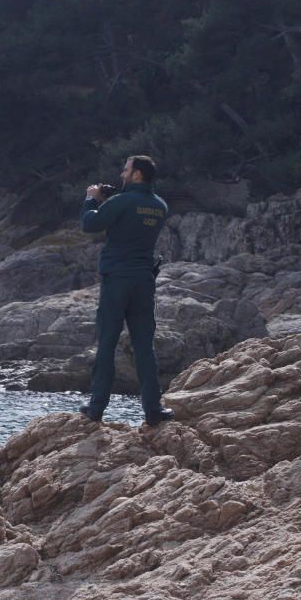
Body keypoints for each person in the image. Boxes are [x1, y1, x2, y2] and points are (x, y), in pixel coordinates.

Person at [78, 155, 173, 425]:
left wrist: (91, 199)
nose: (121, 174)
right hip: (143, 280)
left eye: (126, 170)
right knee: (144, 346)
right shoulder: (160, 206)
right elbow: (133, 220)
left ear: (137, 175)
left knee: (108, 342)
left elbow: (90, 224)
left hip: (117, 279)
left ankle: (96, 408)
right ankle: (153, 409)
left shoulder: (122, 201)